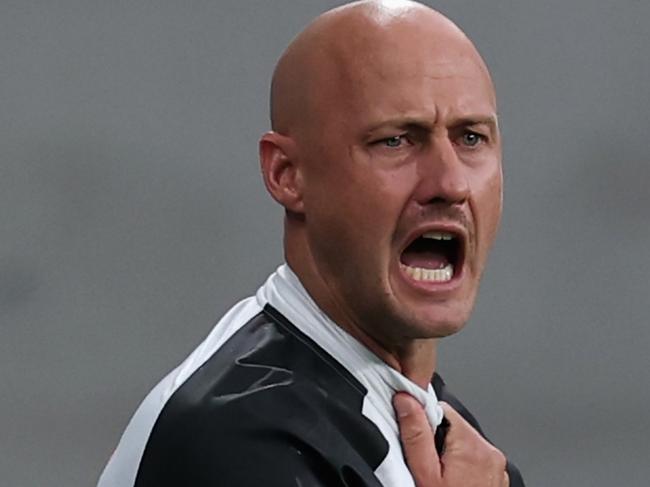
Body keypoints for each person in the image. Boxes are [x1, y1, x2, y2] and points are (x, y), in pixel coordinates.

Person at [98, 1, 525, 485]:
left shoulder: (444, 433)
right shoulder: (236, 436)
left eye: (471, 138)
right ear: (287, 175)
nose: (450, 183)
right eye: (395, 141)